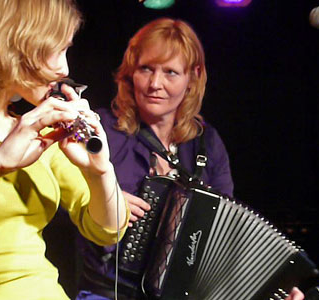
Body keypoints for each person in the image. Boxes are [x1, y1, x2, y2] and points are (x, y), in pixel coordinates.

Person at [76, 18, 305, 300]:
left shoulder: (207, 143)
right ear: (130, 73)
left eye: (170, 73)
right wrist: (104, 199)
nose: (154, 84)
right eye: (146, 69)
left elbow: (225, 236)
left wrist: (270, 288)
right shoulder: (101, 131)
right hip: (109, 293)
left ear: (192, 78)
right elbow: (62, 202)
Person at [0, 0, 129, 299]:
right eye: (54, 50)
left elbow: (108, 230)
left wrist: (100, 170)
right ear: (9, 45)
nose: (64, 68)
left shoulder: (37, 132)